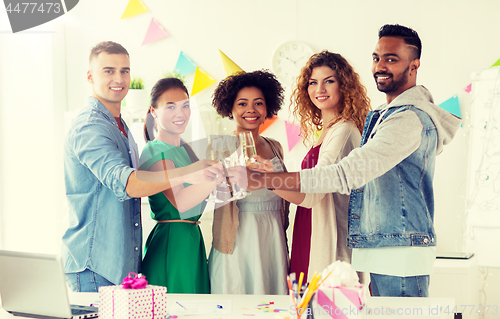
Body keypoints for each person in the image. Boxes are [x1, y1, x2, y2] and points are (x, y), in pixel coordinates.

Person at [244, 24, 461, 297]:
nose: (380, 66)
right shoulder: (384, 115)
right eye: (376, 58)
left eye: (391, 59)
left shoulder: (405, 118)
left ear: (414, 65)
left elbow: (345, 174)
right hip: (384, 246)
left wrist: (265, 179)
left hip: (398, 248)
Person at [62, 42, 221, 292]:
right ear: (90, 76)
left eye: (125, 71)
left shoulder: (120, 127)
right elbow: (129, 184)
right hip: (94, 267)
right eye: (109, 71)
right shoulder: (90, 127)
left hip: (121, 264)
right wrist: (194, 171)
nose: (119, 78)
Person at [273, 51, 370, 282]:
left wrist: (266, 181)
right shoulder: (328, 130)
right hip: (310, 228)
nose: (320, 90)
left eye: (329, 81)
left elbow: (312, 193)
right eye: (313, 83)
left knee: (325, 306)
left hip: (327, 236)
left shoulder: (344, 131)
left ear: (344, 86)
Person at [208, 70, 290, 295]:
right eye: (242, 103)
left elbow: (285, 192)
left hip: (272, 237)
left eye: (258, 103)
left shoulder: (275, 147)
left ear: (267, 109)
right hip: (239, 238)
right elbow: (212, 197)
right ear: (230, 109)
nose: (251, 110)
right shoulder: (221, 146)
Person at [138, 77, 222, 293]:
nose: (181, 113)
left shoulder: (188, 151)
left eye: (185, 106)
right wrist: (220, 175)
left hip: (191, 240)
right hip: (172, 243)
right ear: (153, 111)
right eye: (171, 106)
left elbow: (203, 196)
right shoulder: (155, 150)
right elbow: (182, 202)